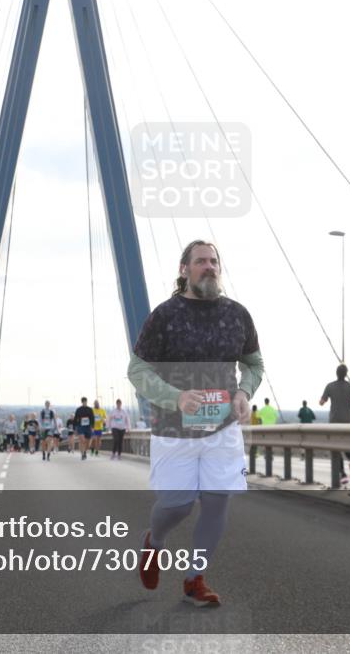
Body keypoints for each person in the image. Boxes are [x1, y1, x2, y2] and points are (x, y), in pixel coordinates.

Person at [128, 240, 264, 607]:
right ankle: (153, 542)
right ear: (184, 269)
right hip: (174, 429)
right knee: (178, 506)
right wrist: (175, 397)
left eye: (214, 261)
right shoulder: (165, 315)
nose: (209, 266)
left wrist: (244, 393)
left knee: (218, 503)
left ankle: (194, 578)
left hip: (223, 430)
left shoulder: (238, 315)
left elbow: (253, 365)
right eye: (201, 261)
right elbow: (137, 369)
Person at [319, 364, 350, 486]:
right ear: (346, 373)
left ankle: (343, 474)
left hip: (334, 422)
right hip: (349, 421)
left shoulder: (330, 386)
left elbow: (321, 402)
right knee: (347, 446)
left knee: (336, 449)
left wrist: (325, 399)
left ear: (336, 373)